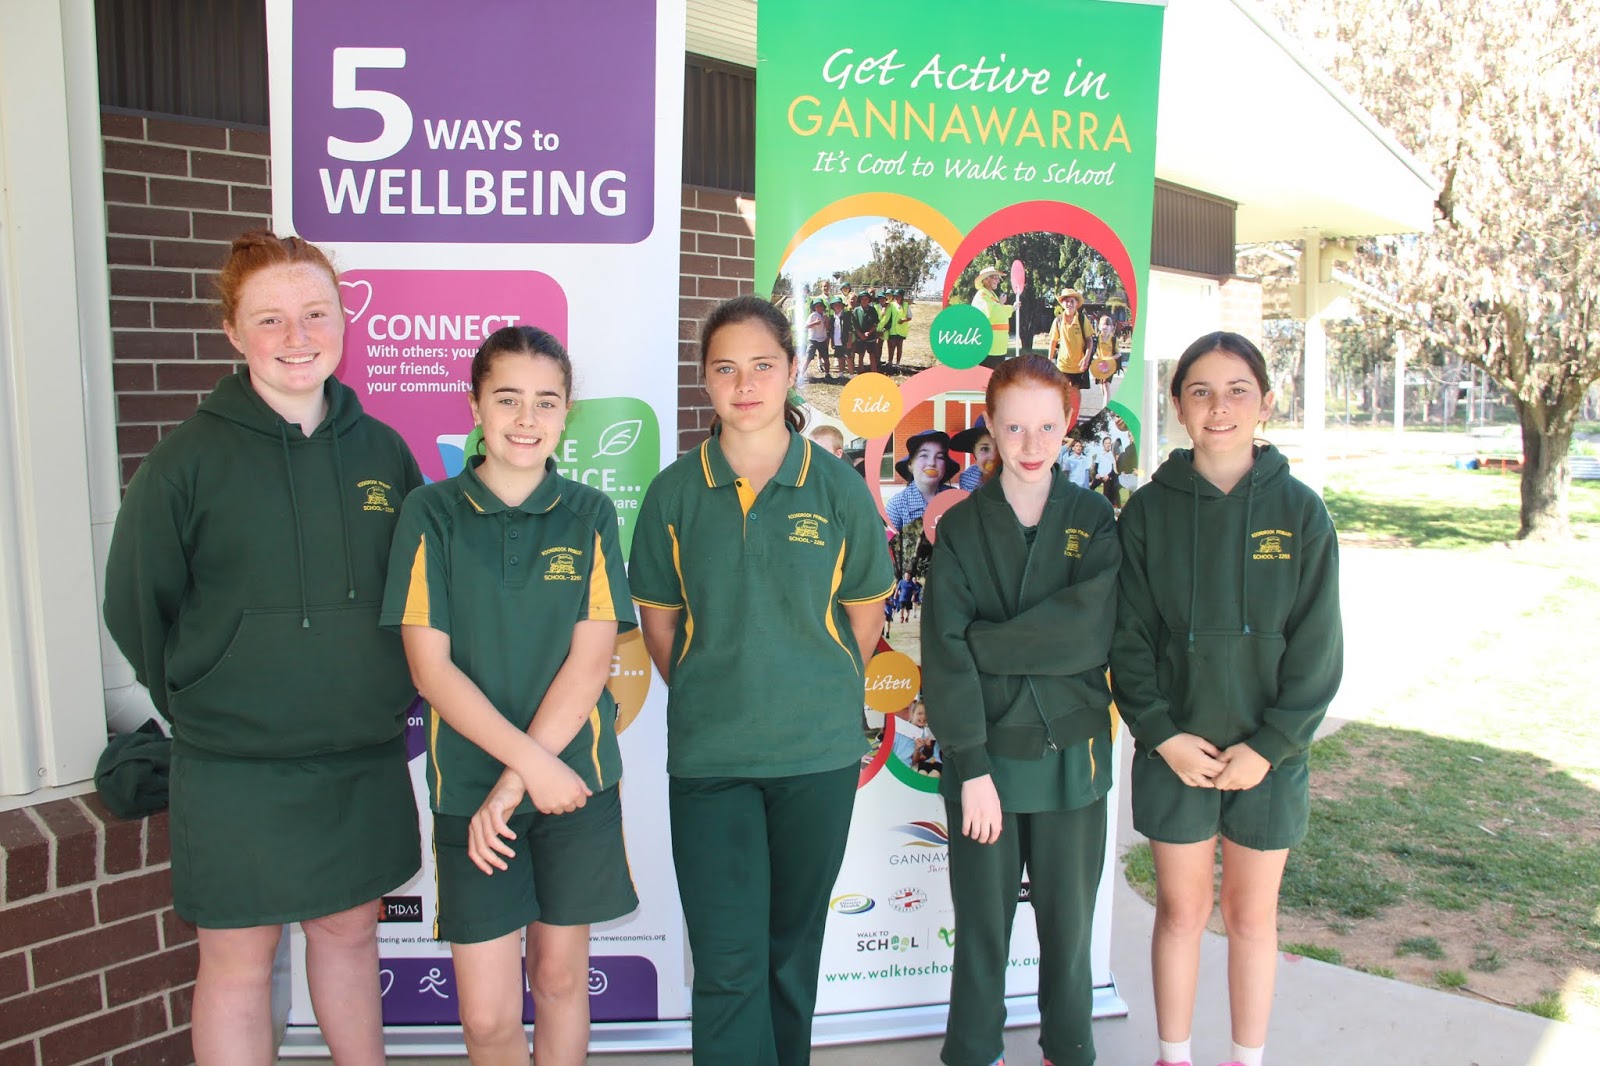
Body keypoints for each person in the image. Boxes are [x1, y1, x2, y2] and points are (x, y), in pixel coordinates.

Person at [103, 231, 422, 1066]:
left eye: (315, 313)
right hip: (233, 762)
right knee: (238, 961)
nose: (297, 336)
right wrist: (205, 693)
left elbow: (417, 597)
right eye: (270, 318)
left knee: (350, 935)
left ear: (344, 320)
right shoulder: (185, 461)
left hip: (358, 753)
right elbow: (135, 604)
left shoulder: (384, 452)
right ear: (233, 333)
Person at [630, 295, 896, 1066]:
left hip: (815, 758)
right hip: (711, 761)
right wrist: (718, 691)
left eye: (761, 366)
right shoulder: (674, 494)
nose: (744, 385)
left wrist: (806, 690)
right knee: (727, 964)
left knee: (789, 956)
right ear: (704, 380)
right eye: (725, 369)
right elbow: (661, 629)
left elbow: (865, 622)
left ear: (791, 371)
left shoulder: (837, 489)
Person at [382, 326, 638, 1066]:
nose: (527, 419)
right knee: (488, 1018)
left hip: (574, 785)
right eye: (508, 399)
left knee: (559, 982)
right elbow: (431, 673)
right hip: (470, 792)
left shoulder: (590, 513)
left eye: (546, 402)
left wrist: (520, 781)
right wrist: (516, 777)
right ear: (474, 406)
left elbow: (589, 665)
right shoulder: (430, 513)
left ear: (567, 414)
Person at [1110, 331, 1343, 1066]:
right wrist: (1160, 734)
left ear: (1266, 403)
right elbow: (1128, 641)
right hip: (1174, 750)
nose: (1220, 407)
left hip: (1267, 757)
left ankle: (1248, 1057)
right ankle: (1173, 1055)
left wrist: (1271, 747)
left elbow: (1318, 650)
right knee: (1181, 912)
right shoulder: (1147, 513)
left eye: (1238, 390)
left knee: (1250, 917)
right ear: (1178, 406)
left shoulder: (1301, 512)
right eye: (1201, 391)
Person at [921, 355, 1120, 1066]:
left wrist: (985, 643)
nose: (1032, 445)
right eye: (1013, 428)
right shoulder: (961, 527)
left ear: (1068, 425)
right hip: (986, 762)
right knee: (982, 929)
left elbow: (1090, 633)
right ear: (990, 425)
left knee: (1069, 929)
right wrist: (971, 766)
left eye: (1046, 427)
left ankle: (1069, 1047)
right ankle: (974, 1050)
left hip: (1074, 758)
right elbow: (945, 655)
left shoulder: (1094, 520)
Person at [885, 429, 960, 532]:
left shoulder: (955, 499)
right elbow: (886, 539)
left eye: (939, 457)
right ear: (910, 465)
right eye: (924, 455)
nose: (932, 463)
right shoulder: (897, 505)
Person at [1048, 288, 1092, 389]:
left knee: (1075, 394)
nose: (1069, 304)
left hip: (1079, 365)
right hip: (1062, 365)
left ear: (1077, 303)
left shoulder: (1082, 319)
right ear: (1062, 304)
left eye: (1072, 301)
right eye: (1067, 301)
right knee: (1063, 393)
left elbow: (1089, 340)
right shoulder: (1058, 320)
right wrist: (1049, 361)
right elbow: (1053, 341)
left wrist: (1086, 358)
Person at [970, 265, 1015, 363]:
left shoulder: (991, 295)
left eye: (998, 278)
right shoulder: (982, 294)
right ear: (986, 279)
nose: (998, 280)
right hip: (988, 348)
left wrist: (1013, 308)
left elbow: (1001, 311)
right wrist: (1001, 303)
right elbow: (990, 313)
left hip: (998, 348)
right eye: (995, 278)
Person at [950, 415, 998, 492]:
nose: (993, 457)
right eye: (985, 449)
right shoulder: (969, 480)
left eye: (999, 449)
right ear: (974, 452)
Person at [800, 298, 830, 385]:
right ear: (815, 308)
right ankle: (800, 375)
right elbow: (806, 326)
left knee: (826, 358)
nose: (819, 308)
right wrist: (815, 323)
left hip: (822, 339)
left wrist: (826, 322)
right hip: (813, 339)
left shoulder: (825, 316)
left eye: (820, 306)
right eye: (817, 306)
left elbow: (827, 328)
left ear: (823, 307)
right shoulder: (813, 315)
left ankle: (827, 374)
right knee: (808, 357)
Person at [852, 291, 881, 374]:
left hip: (871, 336)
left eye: (866, 299)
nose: (864, 301)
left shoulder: (872, 310)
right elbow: (854, 325)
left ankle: (874, 372)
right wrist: (860, 334)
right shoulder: (856, 310)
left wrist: (869, 332)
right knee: (861, 354)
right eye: (862, 299)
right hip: (860, 336)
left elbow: (875, 323)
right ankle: (861, 371)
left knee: (872, 355)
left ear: (869, 300)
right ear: (860, 300)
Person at [1090, 435, 1121, 508]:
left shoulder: (1112, 455)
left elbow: (1114, 469)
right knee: (1091, 489)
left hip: (1107, 477)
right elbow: (1096, 465)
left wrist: (1108, 475)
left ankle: (1107, 508)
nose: (1108, 445)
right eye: (1106, 443)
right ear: (1103, 444)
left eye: (1109, 443)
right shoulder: (1099, 454)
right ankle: (1091, 504)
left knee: (1106, 495)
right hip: (1099, 475)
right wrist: (1096, 474)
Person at [828, 296, 854, 380]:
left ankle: (851, 375)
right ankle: (841, 374)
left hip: (845, 340)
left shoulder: (846, 315)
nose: (837, 306)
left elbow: (850, 329)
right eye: (835, 305)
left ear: (842, 306)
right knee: (840, 357)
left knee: (848, 358)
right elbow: (832, 331)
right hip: (837, 340)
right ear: (833, 306)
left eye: (839, 304)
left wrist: (849, 340)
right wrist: (832, 341)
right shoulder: (832, 317)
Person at [886, 289, 911, 368]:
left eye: (898, 296)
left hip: (901, 330)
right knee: (891, 346)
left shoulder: (906, 305)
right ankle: (890, 362)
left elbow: (909, 317)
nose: (896, 297)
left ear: (902, 296)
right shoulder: (891, 304)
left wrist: (903, 320)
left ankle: (897, 363)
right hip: (893, 329)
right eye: (895, 296)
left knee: (899, 347)